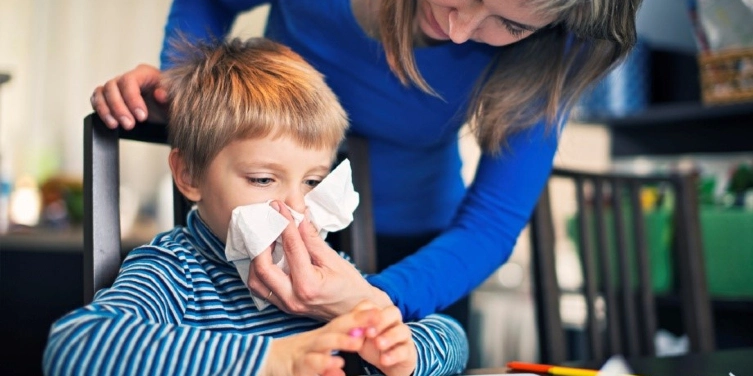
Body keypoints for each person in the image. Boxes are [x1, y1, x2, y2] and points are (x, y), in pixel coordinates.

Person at [91, 0, 643, 330]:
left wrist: (373, 306)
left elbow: (491, 225)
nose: (457, 27)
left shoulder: (559, 48)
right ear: (185, 173)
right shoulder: (173, 278)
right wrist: (191, 90)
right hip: (255, 242)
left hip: (419, 255)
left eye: (511, 24)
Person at [45, 37, 469, 376]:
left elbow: (452, 336)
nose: (296, 209)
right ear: (190, 175)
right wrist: (275, 360)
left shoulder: (324, 274)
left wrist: (405, 353)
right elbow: (76, 345)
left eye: (313, 182)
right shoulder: (174, 272)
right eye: (263, 179)